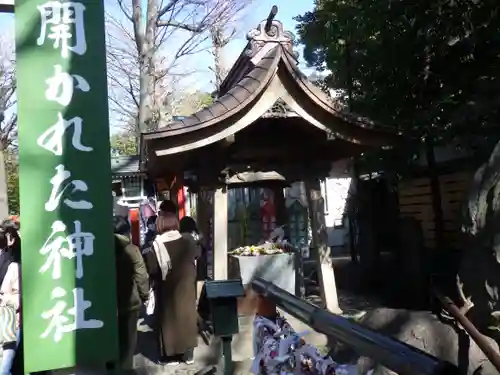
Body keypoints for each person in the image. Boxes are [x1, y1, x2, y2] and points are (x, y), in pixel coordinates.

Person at [150, 212, 198, 366]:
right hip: (186, 288)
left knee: (169, 321)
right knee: (187, 318)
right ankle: (188, 355)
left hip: (165, 290)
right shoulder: (187, 241)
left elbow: (152, 269)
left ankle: (170, 357)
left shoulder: (156, 245)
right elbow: (197, 256)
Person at [113, 216, 150, 370]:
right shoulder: (132, 250)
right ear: (126, 232)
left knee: (111, 341)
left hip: (107, 305)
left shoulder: (100, 249)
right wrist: (145, 295)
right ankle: (126, 369)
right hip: (129, 304)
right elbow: (141, 276)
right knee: (128, 343)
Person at [0, 221, 21, 375]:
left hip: (12, 320)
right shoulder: (10, 262)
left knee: (5, 367)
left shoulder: (14, 264)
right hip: (9, 320)